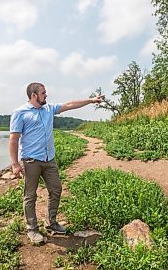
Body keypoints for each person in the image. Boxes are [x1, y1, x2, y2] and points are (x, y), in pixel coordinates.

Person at [9, 82, 103, 244]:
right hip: (31, 161)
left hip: (49, 160)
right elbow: (13, 140)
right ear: (33, 95)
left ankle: (51, 222)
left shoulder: (48, 109)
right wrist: (15, 164)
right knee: (30, 196)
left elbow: (70, 104)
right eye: (43, 93)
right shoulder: (20, 113)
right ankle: (32, 229)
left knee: (56, 189)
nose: (46, 95)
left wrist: (91, 100)